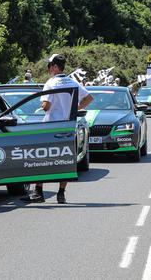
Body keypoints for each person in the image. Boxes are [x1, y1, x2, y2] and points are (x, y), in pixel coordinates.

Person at [22, 54, 93, 204]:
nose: (48, 69)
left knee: (41, 159)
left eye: (49, 66)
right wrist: (74, 109)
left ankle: (38, 192)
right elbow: (89, 98)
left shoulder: (51, 83)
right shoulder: (72, 82)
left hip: (50, 127)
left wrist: (42, 106)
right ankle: (61, 194)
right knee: (64, 160)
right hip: (67, 126)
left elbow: (46, 106)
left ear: (55, 67)